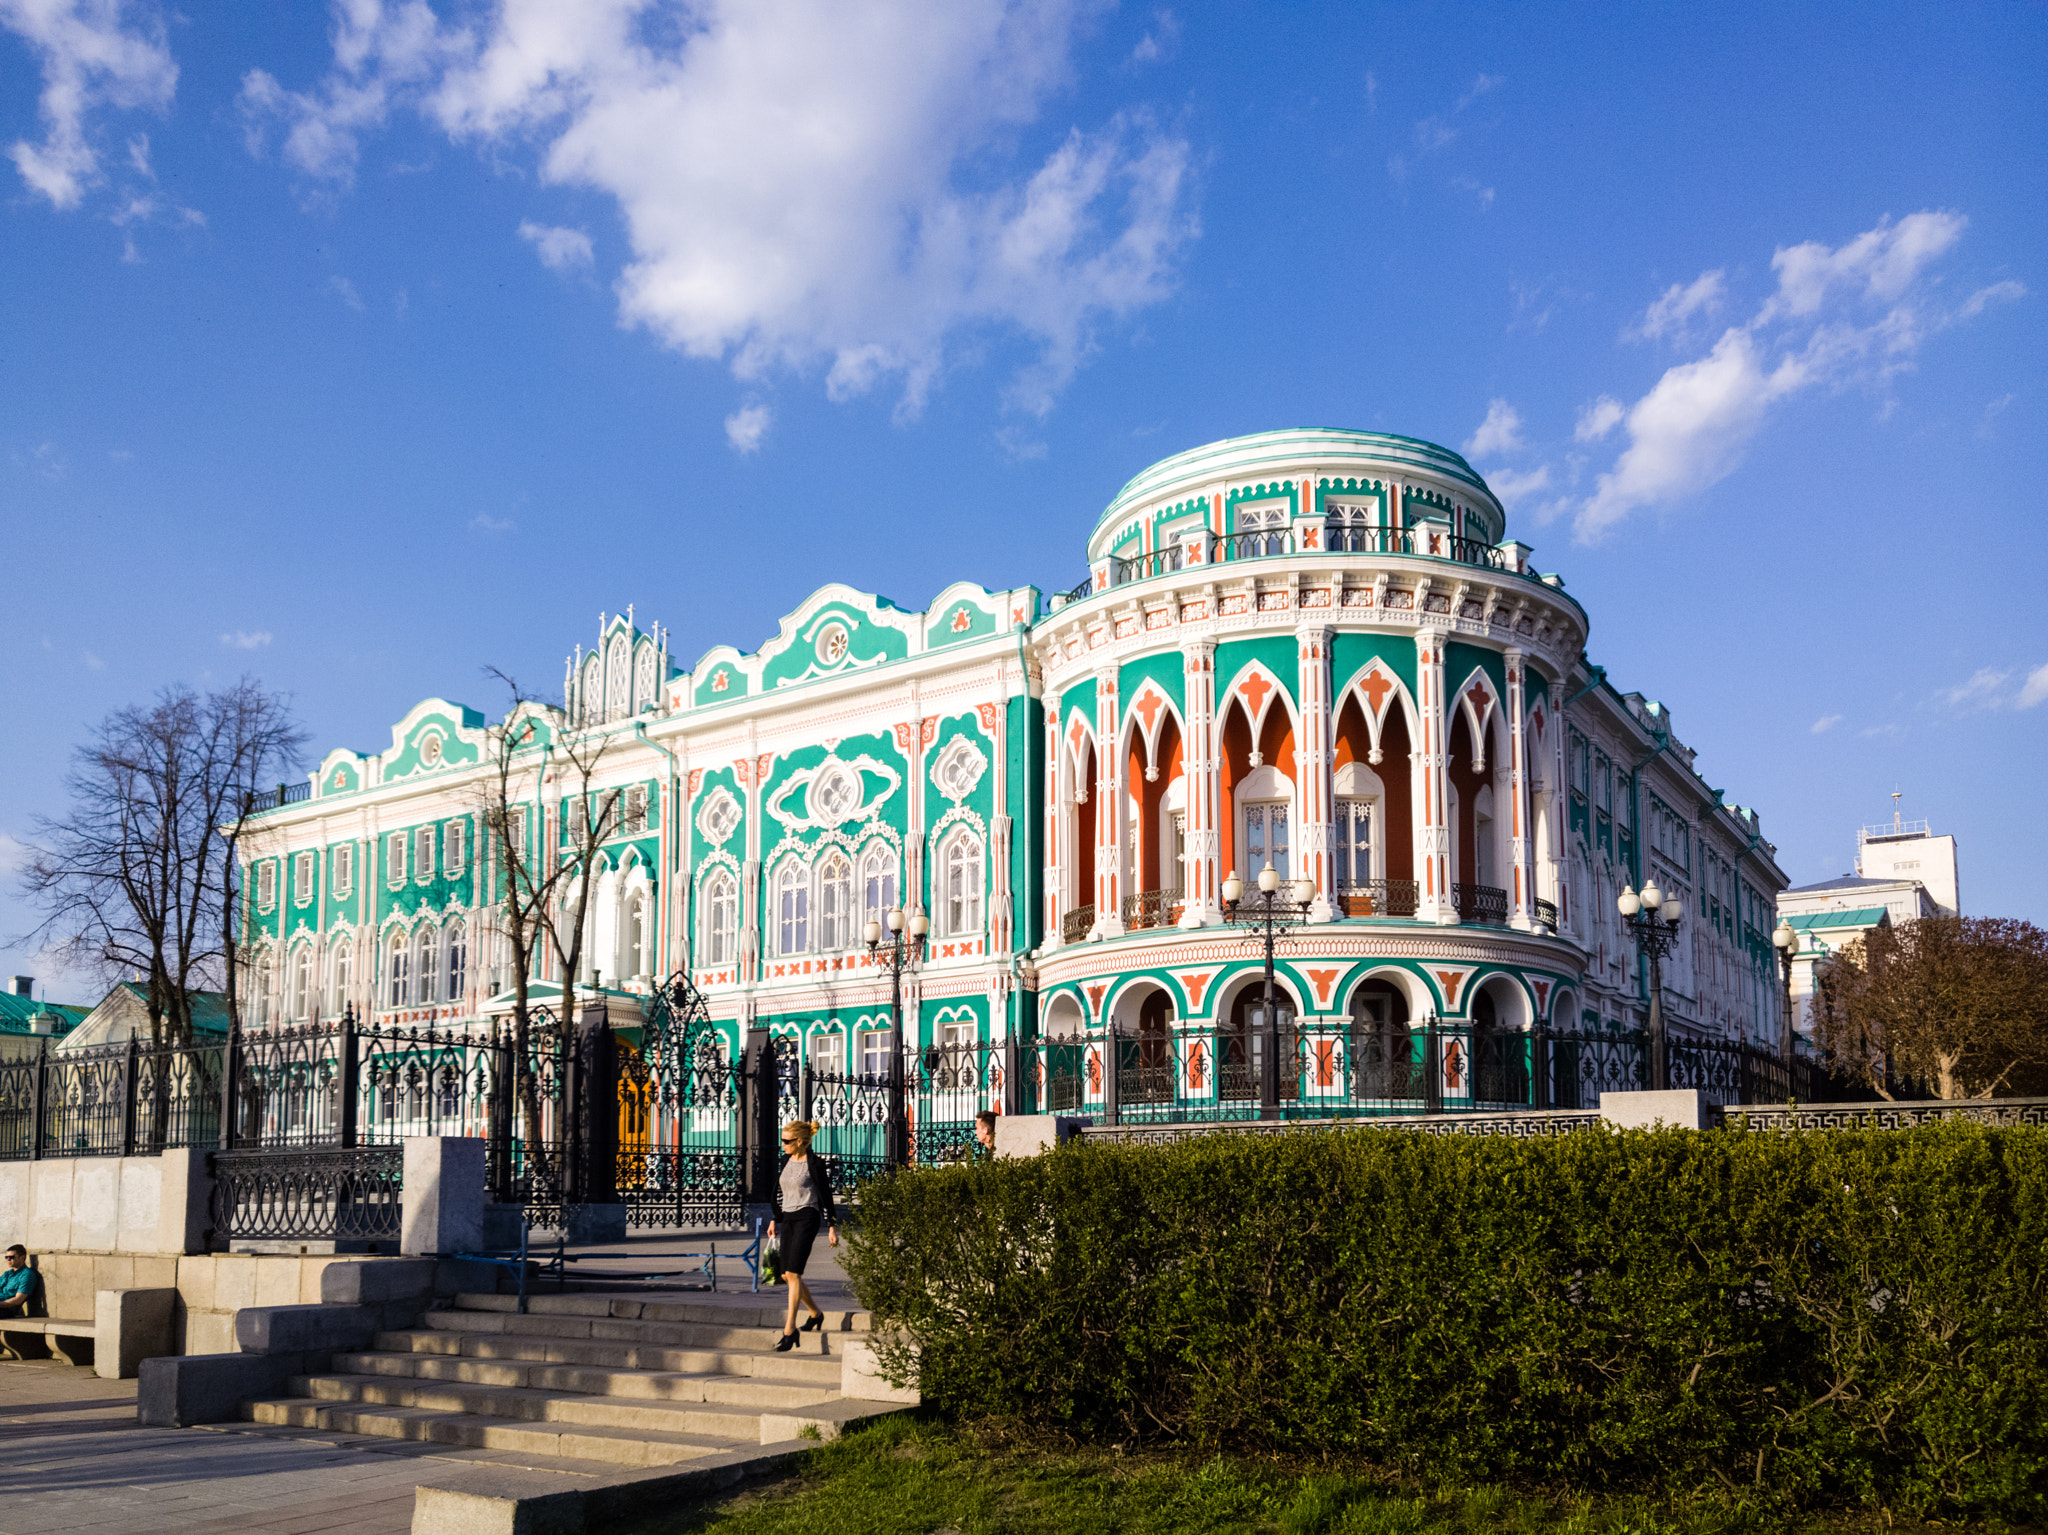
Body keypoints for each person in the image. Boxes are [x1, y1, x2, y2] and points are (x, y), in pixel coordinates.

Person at [765, 1120, 837, 1352]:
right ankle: (815, 1314)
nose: (782, 1144)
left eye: (786, 1141)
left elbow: (825, 1194)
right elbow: (780, 1190)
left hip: (808, 1218)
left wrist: (832, 1226)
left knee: (793, 1273)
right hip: (788, 1219)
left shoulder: (815, 1164)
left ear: (799, 1142)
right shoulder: (786, 1160)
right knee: (786, 1275)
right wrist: (775, 1218)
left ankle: (789, 1329)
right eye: (782, 1140)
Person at [0, 1245, 41, 1319]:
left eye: (12, 1257)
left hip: (6, 1309)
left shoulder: (27, 1275)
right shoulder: (7, 1274)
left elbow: (18, 1300)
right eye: (6, 1257)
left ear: (22, 1257)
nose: (8, 1260)